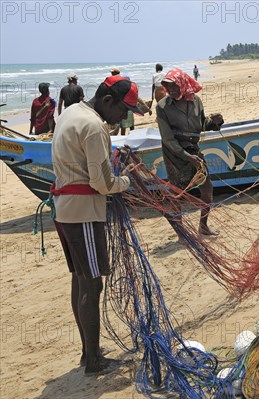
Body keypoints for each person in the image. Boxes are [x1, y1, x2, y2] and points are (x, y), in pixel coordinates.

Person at [51, 75, 142, 374]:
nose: (124, 117)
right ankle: (93, 360)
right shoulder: (93, 127)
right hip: (84, 214)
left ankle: (86, 352)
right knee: (92, 284)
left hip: (65, 211)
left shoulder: (71, 111)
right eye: (123, 110)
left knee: (80, 279)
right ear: (106, 101)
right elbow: (102, 183)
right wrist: (127, 180)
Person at [156, 68, 223, 235]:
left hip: (194, 150)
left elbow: (202, 124)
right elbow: (168, 139)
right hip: (175, 155)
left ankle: (203, 226)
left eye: (174, 86)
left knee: (207, 188)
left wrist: (216, 122)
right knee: (177, 193)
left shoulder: (196, 100)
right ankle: (180, 231)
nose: (170, 90)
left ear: (183, 85)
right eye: (167, 86)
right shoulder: (162, 106)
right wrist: (186, 157)